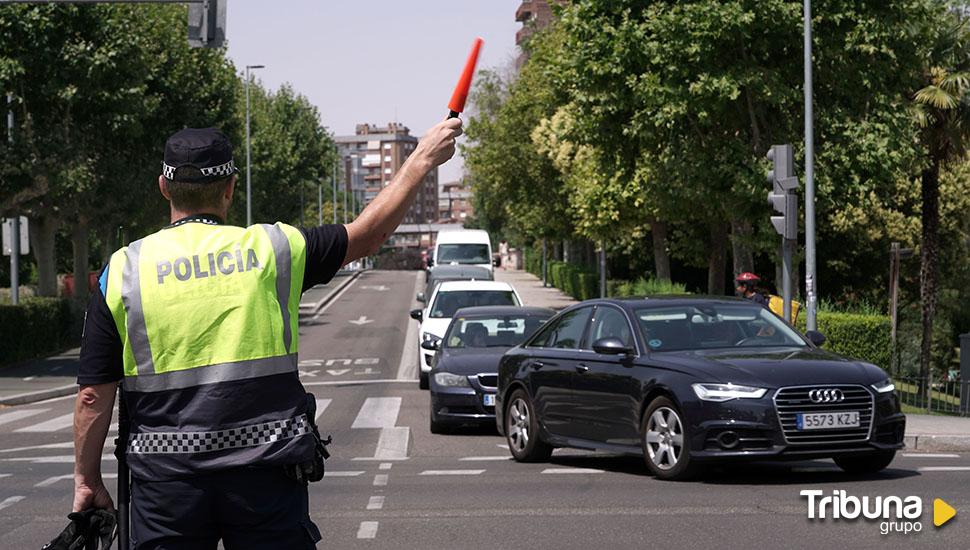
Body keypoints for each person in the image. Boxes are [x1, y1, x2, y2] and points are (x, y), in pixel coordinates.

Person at [73, 119, 461, 549]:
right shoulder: (274, 251)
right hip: (264, 478)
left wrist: (87, 480)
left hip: (167, 487)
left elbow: (93, 396)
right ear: (230, 188)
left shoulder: (125, 270)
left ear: (164, 188)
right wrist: (421, 158)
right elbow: (368, 236)